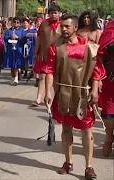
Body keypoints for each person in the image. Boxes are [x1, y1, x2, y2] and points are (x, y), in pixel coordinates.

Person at [43, 14, 105, 180]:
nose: (62, 29)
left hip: (83, 93)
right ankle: (68, 162)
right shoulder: (55, 47)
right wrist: (48, 92)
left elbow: (97, 70)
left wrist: (94, 91)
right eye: (61, 26)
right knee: (66, 128)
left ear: (75, 28)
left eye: (66, 26)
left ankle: (89, 167)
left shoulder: (89, 47)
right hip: (63, 93)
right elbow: (49, 70)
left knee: (86, 130)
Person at [31, 5, 61, 107]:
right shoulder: (44, 23)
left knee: (57, 77)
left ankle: (57, 99)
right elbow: (39, 38)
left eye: (55, 12)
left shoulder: (63, 24)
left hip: (58, 54)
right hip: (45, 53)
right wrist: (36, 52)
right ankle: (39, 98)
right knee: (42, 76)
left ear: (59, 13)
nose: (53, 15)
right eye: (51, 12)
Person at [97, 20, 114, 157]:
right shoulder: (110, 29)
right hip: (110, 78)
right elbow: (100, 55)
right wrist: (99, 76)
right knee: (109, 109)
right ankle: (109, 136)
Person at [3, 17, 26, 85]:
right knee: (11, 65)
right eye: (14, 22)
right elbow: (5, 39)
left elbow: (24, 40)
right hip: (10, 49)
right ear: (12, 23)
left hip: (18, 49)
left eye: (17, 22)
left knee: (16, 64)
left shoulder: (22, 31)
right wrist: (10, 37)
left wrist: (17, 37)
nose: (16, 23)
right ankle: (14, 76)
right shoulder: (8, 30)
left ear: (19, 24)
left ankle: (16, 78)